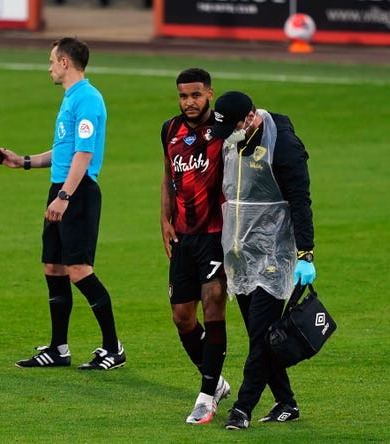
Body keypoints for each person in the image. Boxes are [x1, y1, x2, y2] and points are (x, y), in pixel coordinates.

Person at [0, 37, 125, 370]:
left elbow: (84, 154)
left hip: (77, 194)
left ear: (66, 62)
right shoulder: (72, 99)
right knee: (54, 266)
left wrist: (64, 196)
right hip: (63, 189)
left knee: (79, 270)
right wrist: (22, 162)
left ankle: (113, 348)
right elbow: (64, 152)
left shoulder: (88, 100)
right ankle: (58, 349)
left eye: (52, 60)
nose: (49, 67)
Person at [210, 91, 316, 429]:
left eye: (231, 128)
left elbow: (300, 200)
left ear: (249, 117)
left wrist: (305, 253)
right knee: (263, 335)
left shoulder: (283, 146)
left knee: (260, 336)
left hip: (274, 255)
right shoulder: (232, 140)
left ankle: (242, 409)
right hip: (240, 254)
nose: (226, 136)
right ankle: (286, 402)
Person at [160, 68, 231, 424]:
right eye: (183, 96)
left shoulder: (224, 128)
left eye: (195, 96)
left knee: (213, 307)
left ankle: (206, 397)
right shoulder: (170, 130)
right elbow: (168, 175)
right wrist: (164, 218)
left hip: (216, 235)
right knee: (182, 317)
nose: (189, 102)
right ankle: (215, 381)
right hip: (184, 236)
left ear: (210, 94)